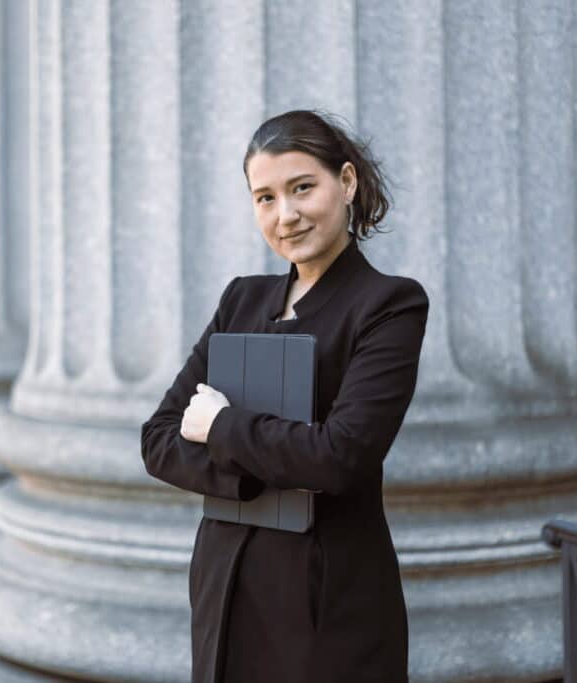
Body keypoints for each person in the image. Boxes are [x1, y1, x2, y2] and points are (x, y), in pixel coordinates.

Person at [140, 109, 429, 683]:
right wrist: (252, 476)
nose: (286, 215)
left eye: (303, 188)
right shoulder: (241, 300)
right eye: (265, 198)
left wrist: (224, 429)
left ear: (346, 183)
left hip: (326, 596)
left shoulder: (388, 306)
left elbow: (341, 456)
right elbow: (158, 441)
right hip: (224, 584)